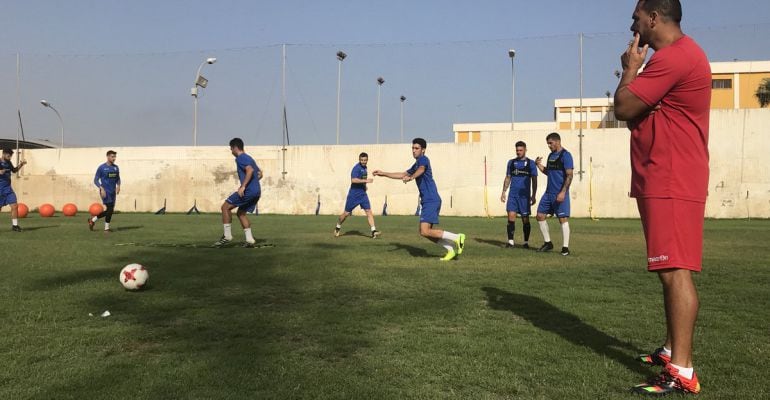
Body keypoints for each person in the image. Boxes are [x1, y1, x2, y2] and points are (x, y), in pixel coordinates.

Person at [614, 0, 710, 395]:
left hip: (672, 179)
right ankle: (672, 350)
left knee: (675, 271)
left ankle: (682, 371)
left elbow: (623, 107)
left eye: (636, 17)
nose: (632, 24)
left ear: (653, 18)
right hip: (662, 177)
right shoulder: (675, 58)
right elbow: (637, 112)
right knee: (667, 269)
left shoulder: (674, 58)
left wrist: (629, 70)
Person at [373, 138, 465, 261]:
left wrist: (411, 178)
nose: (414, 150)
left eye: (416, 148)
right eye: (413, 148)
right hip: (429, 200)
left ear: (423, 150)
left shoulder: (423, 160)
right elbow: (402, 174)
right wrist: (383, 173)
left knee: (424, 230)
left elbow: (421, 170)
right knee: (424, 232)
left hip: (431, 199)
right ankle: (450, 250)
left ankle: (457, 237)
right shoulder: (416, 164)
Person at [213, 138, 263, 248]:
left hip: (248, 191)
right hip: (257, 191)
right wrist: (253, 183)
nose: (231, 151)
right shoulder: (250, 158)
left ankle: (227, 236)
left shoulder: (241, 158)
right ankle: (250, 240)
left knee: (225, 207)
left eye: (231, 148)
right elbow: (260, 174)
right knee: (241, 213)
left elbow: (250, 170)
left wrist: (243, 186)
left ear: (235, 147)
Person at [534, 132, 573, 256]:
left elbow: (569, 175)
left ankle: (565, 248)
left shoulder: (566, 155)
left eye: (550, 143)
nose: (549, 146)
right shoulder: (551, 155)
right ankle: (548, 243)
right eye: (548, 144)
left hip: (560, 193)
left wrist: (562, 192)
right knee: (540, 216)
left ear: (557, 141)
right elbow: (548, 172)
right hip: (548, 193)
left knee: (562, 219)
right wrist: (538, 165)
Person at [500, 141, 538, 248]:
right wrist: (503, 192)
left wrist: (534, 195)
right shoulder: (511, 163)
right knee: (511, 217)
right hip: (513, 195)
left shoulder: (531, 164)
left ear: (525, 150)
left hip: (524, 197)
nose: (518, 152)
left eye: (521, 150)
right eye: (517, 150)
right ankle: (511, 242)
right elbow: (508, 178)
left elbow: (534, 181)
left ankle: (525, 242)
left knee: (525, 219)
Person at [334, 152, 381, 239]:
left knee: (369, 211)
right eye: (362, 160)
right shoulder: (356, 168)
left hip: (363, 194)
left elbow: (361, 179)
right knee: (346, 213)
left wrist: (364, 186)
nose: (363, 161)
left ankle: (373, 231)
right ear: (359, 160)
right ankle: (338, 226)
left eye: (365, 160)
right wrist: (366, 181)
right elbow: (353, 180)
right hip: (354, 194)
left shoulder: (365, 168)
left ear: (367, 160)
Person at [89, 150, 120, 232]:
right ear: (108, 157)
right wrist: (101, 188)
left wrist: (118, 186)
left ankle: (92, 220)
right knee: (110, 209)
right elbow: (95, 180)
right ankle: (106, 229)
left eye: (115, 157)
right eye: (112, 156)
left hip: (113, 192)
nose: (114, 158)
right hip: (105, 192)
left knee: (110, 210)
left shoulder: (116, 167)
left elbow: (118, 179)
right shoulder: (102, 168)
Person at [0, 149, 27, 232]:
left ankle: (15, 226)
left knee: (15, 206)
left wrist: (21, 164)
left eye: (11, 156)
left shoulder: (8, 162)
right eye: (8, 156)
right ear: (3, 154)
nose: (10, 157)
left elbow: (14, 170)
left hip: (8, 188)